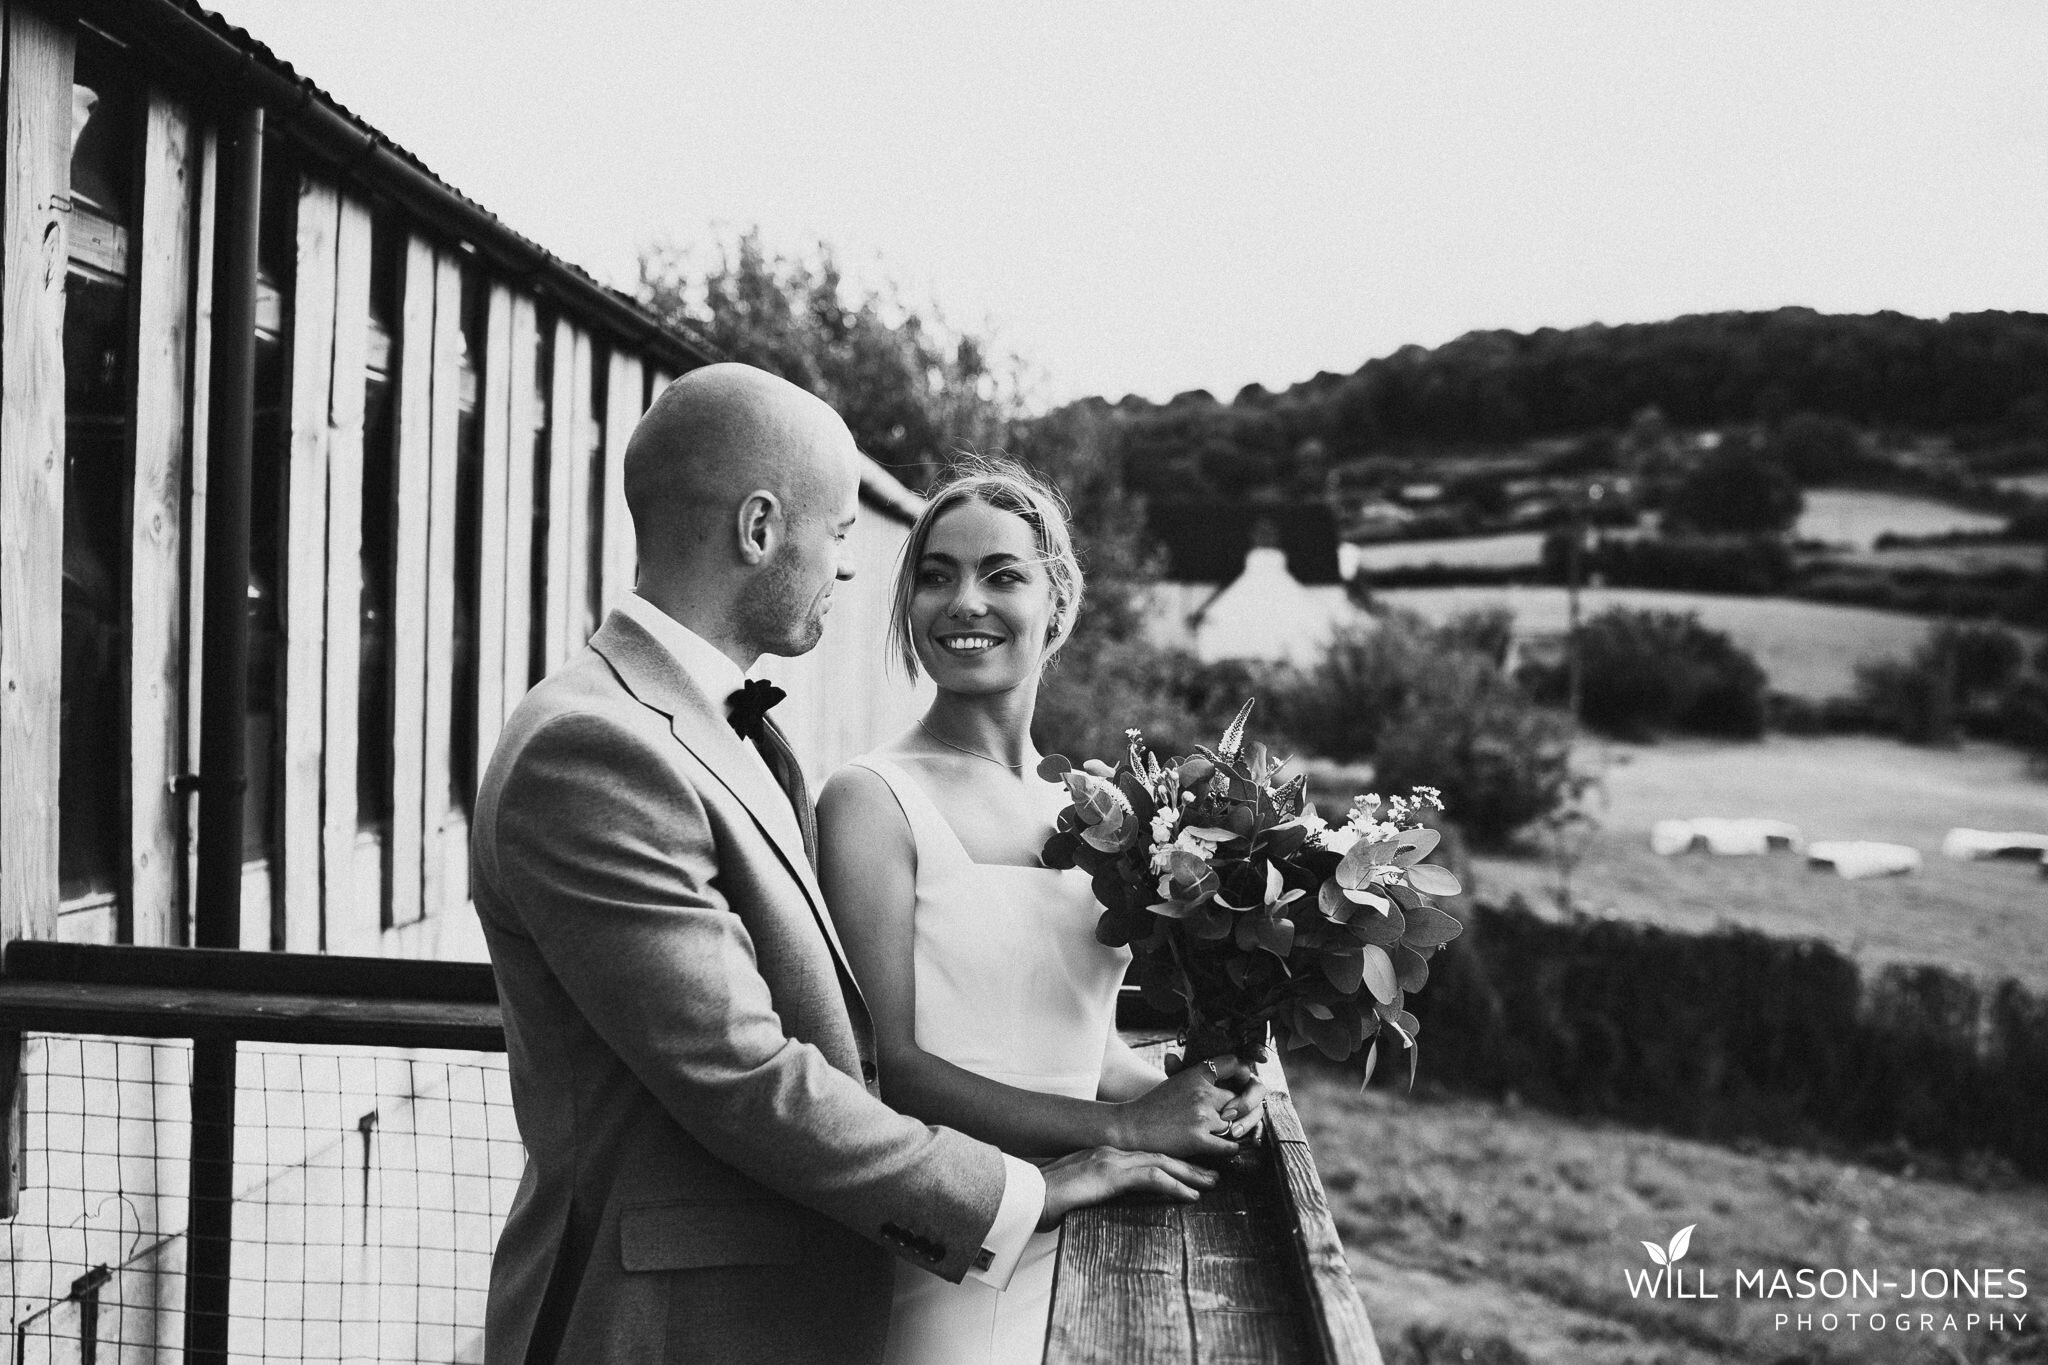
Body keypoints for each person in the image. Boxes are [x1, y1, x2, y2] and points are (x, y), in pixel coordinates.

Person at [471, 366, 1218, 1365]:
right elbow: (744, 1075)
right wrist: (1041, 1180)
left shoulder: (721, 730)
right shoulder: (594, 748)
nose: (852, 570)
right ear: (759, 527)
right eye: (836, 535)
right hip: (671, 1322)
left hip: (798, 1294)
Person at [817, 457, 1266, 1365]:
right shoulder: (870, 800)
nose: (963, 601)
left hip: (1098, 1241)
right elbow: (891, 1070)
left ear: (1057, 604)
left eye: (1001, 574)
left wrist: (1199, 1102)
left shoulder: (1089, 810)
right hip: (961, 1247)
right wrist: (1119, 1134)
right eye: (936, 575)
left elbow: (1081, 1044)